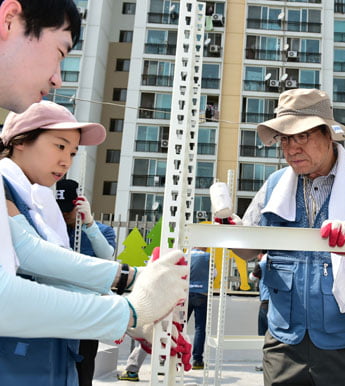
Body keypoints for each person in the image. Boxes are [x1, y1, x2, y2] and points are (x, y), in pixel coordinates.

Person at [0, 0, 187, 362]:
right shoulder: (10, 187)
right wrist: (130, 309)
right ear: (10, 18)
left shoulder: (36, 197)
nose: (58, 78)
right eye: (59, 52)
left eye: (72, 153)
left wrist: (126, 290)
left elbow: (37, 259)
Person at [227, 88, 345, 386]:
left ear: (328, 135)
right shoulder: (274, 186)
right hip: (285, 341)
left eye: (301, 136)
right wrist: (232, 233)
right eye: (284, 139)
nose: (291, 148)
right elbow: (247, 251)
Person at [118, 247, 213, 381]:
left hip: (171, 299)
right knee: (191, 330)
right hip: (194, 296)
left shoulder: (183, 257)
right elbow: (213, 274)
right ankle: (192, 361)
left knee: (149, 337)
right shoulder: (207, 257)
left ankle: (132, 370)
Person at [56, 178, 117, 385]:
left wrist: (89, 224)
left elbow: (107, 258)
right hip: (55, 310)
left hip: (87, 312)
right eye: (59, 210)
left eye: (67, 211)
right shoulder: (52, 229)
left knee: (83, 369)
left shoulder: (102, 231)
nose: (64, 216)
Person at [248, 252, 269, 372]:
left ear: (261, 254)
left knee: (266, 336)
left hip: (266, 303)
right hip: (279, 303)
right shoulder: (277, 262)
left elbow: (252, 277)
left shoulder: (261, 264)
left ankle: (265, 363)